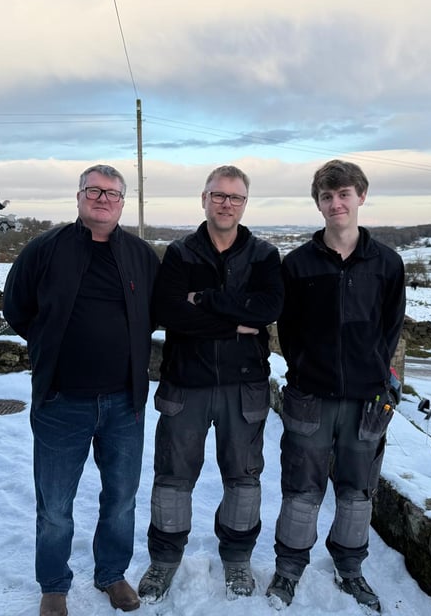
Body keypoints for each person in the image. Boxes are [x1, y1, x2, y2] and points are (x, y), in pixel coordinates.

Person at [3, 164, 160, 616]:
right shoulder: (45, 250)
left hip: (124, 403)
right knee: (54, 504)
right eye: (94, 190)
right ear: (78, 197)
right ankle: (54, 583)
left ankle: (111, 574)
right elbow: (17, 307)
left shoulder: (140, 255)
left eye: (112, 193)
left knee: (121, 498)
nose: (103, 199)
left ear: (122, 203)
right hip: (60, 401)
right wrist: (48, 346)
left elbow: (156, 311)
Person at [137, 165, 284, 603]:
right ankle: (164, 560)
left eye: (235, 198)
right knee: (172, 479)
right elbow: (169, 312)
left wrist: (205, 301)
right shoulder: (181, 253)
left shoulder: (264, 255)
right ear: (204, 199)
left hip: (245, 386)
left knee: (243, 480)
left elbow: (267, 309)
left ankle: (237, 559)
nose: (226, 204)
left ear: (244, 204)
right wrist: (231, 324)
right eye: (218, 195)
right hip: (187, 383)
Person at [266, 160, 405, 613]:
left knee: (356, 491)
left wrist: (378, 379)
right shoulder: (299, 264)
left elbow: (390, 327)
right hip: (310, 396)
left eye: (344, 194)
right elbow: (289, 330)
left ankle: (350, 569)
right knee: (302, 489)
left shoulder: (387, 263)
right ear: (319, 204)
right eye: (327, 197)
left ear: (361, 196)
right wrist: (305, 369)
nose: (336, 203)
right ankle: (288, 570)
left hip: (367, 400)